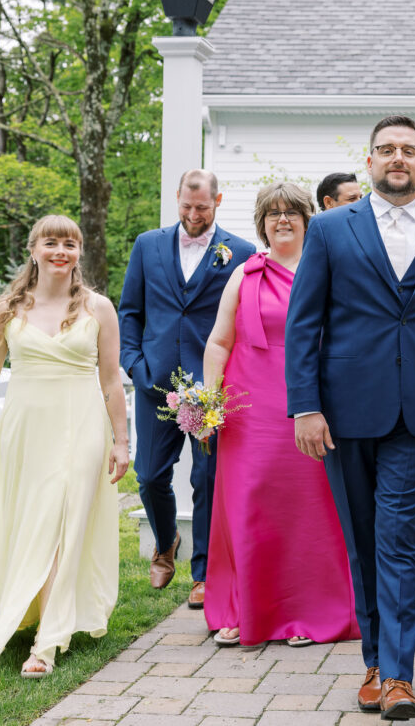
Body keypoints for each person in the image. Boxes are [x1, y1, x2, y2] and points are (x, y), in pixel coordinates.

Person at [286, 115, 415, 720]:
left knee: (395, 538)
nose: (398, 159)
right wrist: (305, 406)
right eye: (386, 150)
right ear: (369, 162)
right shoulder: (333, 229)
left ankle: (397, 676)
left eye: (409, 151)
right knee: (362, 540)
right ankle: (372, 660)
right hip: (343, 412)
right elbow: (304, 323)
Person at [0, 215, 128, 677]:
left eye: (69, 244)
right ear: (33, 249)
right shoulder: (8, 308)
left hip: (82, 425)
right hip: (27, 430)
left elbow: (110, 379)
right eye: (51, 243)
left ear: (79, 253)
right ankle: (35, 612)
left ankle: (46, 643)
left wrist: (121, 441)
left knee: (64, 524)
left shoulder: (99, 308)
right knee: (34, 522)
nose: (61, 252)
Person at [202, 182, 359, 648]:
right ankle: (240, 608)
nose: (282, 220)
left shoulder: (326, 269)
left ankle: (308, 613)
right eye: (272, 214)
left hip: (307, 406)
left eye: (292, 212)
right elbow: (218, 341)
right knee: (248, 506)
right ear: (261, 223)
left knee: (309, 511)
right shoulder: (245, 274)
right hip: (248, 411)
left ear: (308, 219)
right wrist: (209, 404)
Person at [118, 169, 255, 607]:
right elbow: (131, 312)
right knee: (151, 475)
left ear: (219, 200)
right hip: (155, 384)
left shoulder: (242, 252)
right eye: (187, 206)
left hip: (210, 389)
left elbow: (244, 320)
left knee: (208, 477)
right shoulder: (148, 245)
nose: (194, 215)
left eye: (203, 207)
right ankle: (165, 543)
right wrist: (135, 365)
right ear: (177, 198)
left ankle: (203, 574)